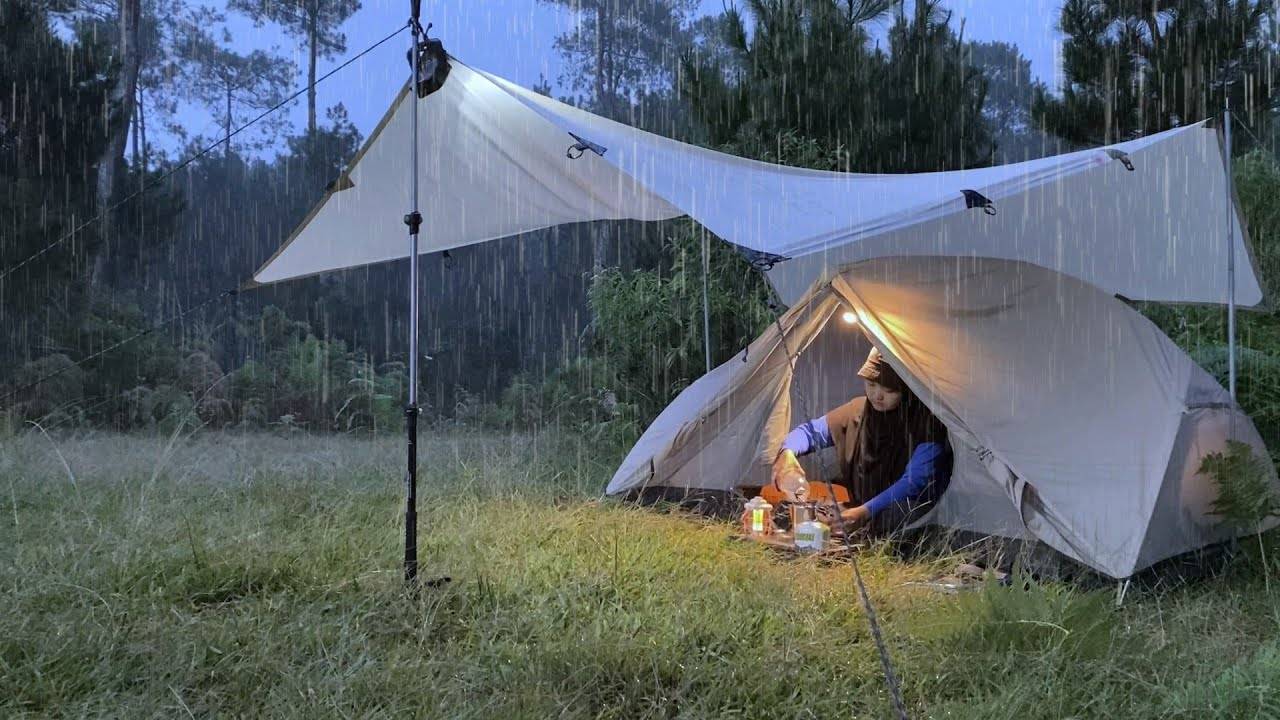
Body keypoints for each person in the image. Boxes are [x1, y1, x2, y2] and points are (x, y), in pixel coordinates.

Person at [771, 347, 952, 537]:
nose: (877, 395)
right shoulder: (857, 410)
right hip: (862, 504)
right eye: (871, 385)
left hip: (908, 510)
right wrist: (787, 453)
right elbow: (809, 433)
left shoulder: (927, 423)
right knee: (809, 510)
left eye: (889, 390)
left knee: (899, 515)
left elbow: (914, 483)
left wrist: (865, 512)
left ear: (907, 389)